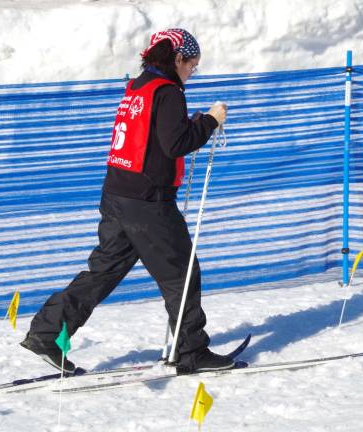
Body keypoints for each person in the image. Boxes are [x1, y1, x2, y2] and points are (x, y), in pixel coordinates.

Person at [20, 28, 232, 374]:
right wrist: (209, 121)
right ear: (177, 59)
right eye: (193, 63)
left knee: (103, 271)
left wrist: (192, 123)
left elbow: (154, 136)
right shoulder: (168, 92)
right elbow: (174, 144)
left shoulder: (138, 86)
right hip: (147, 201)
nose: (194, 70)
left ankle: (47, 332)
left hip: (118, 192)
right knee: (182, 272)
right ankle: (192, 351)